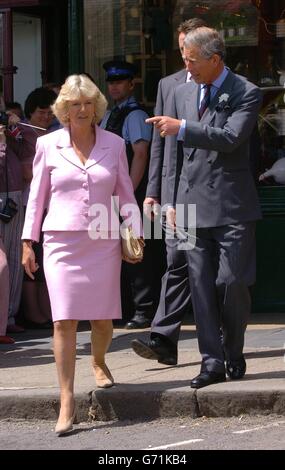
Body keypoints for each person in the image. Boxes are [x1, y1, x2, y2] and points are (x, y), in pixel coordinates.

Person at [21, 74, 142, 434]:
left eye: (88, 103)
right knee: (64, 321)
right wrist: (28, 242)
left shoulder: (115, 144)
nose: (83, 109)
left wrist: (134, 230)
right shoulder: (48, 145)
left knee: (103, 322)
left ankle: (100, 360)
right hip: (60, 242)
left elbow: (125, 194)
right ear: (64, 109)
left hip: (102, 240)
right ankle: (67, 399)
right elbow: (36, 197)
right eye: (75, 104)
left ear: (97, 107)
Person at [145, 27, 262, 388]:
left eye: (192, 60)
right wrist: (170, 203)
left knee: (232, 282)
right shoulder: (180, 92)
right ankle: (210, 362)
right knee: (198, 285)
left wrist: (182, 127)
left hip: (232, 205)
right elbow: (174, 157)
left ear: (214, 60)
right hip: (190, 206)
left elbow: (230, 138)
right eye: (184, 60)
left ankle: (234, 347)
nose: (187, 67)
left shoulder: (246, 91)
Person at [131, 18, 206, 365]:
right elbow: (160, 145)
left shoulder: (229, 82)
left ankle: (221, 339)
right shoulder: (168, 84)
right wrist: (153, 191)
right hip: (178, 192)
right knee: (177, 262)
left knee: (216, 272)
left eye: (189, 49)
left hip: (214, 191)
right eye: (180, 49)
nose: (184, 57)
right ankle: (163, 339)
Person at [101, 60, 165, 329]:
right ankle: (125, 307)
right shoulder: (109, 114)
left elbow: (140, 154)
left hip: (131, 193)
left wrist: (130, 194)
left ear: (131, 84)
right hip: (113, 193)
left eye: (120, 81)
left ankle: (144, 310)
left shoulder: (135, 115)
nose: (114, 86)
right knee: (117, 252)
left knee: (140, 253)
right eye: (111, 82)